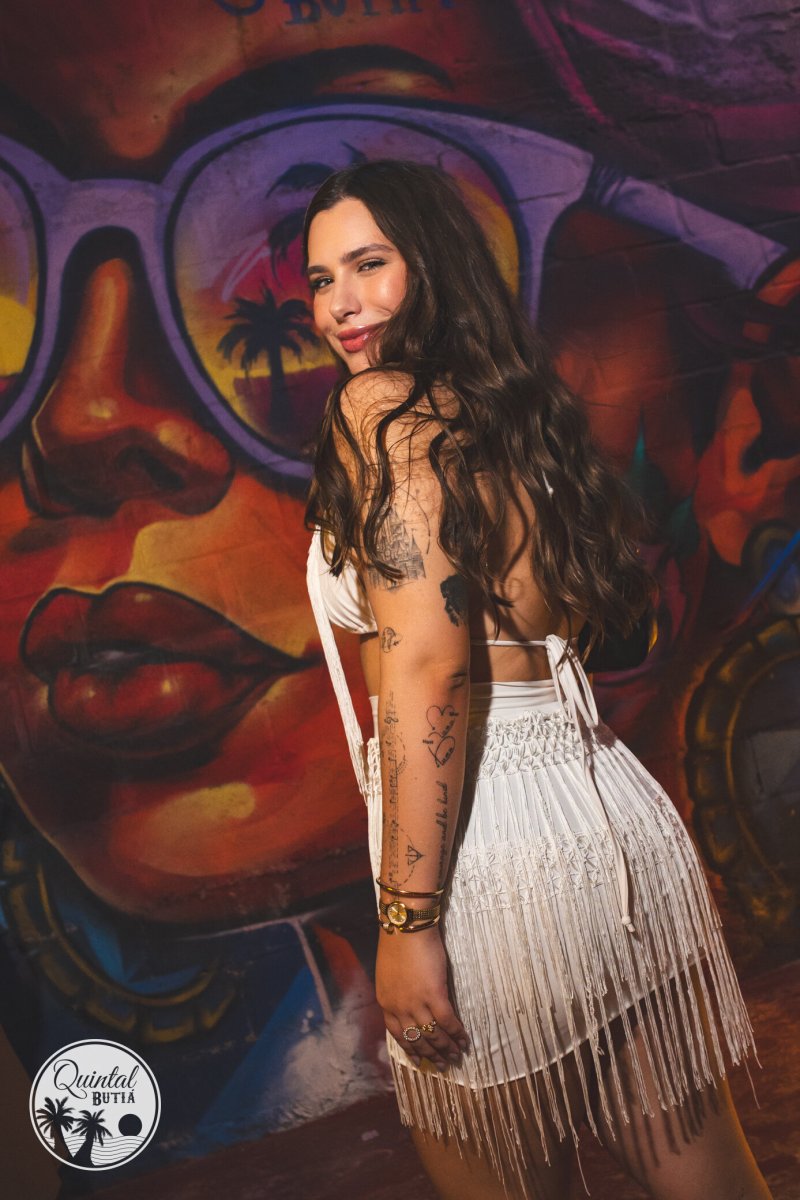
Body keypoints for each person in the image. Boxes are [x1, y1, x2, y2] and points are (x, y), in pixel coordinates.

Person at [304, 160, 773, 1200]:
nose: (340, 303)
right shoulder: (509, 410)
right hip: (611, 819)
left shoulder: (381, 407)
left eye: (369, 265)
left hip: (496, 850)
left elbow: (427, 664)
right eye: (321, 279)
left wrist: (408, 924)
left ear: (430, 264)